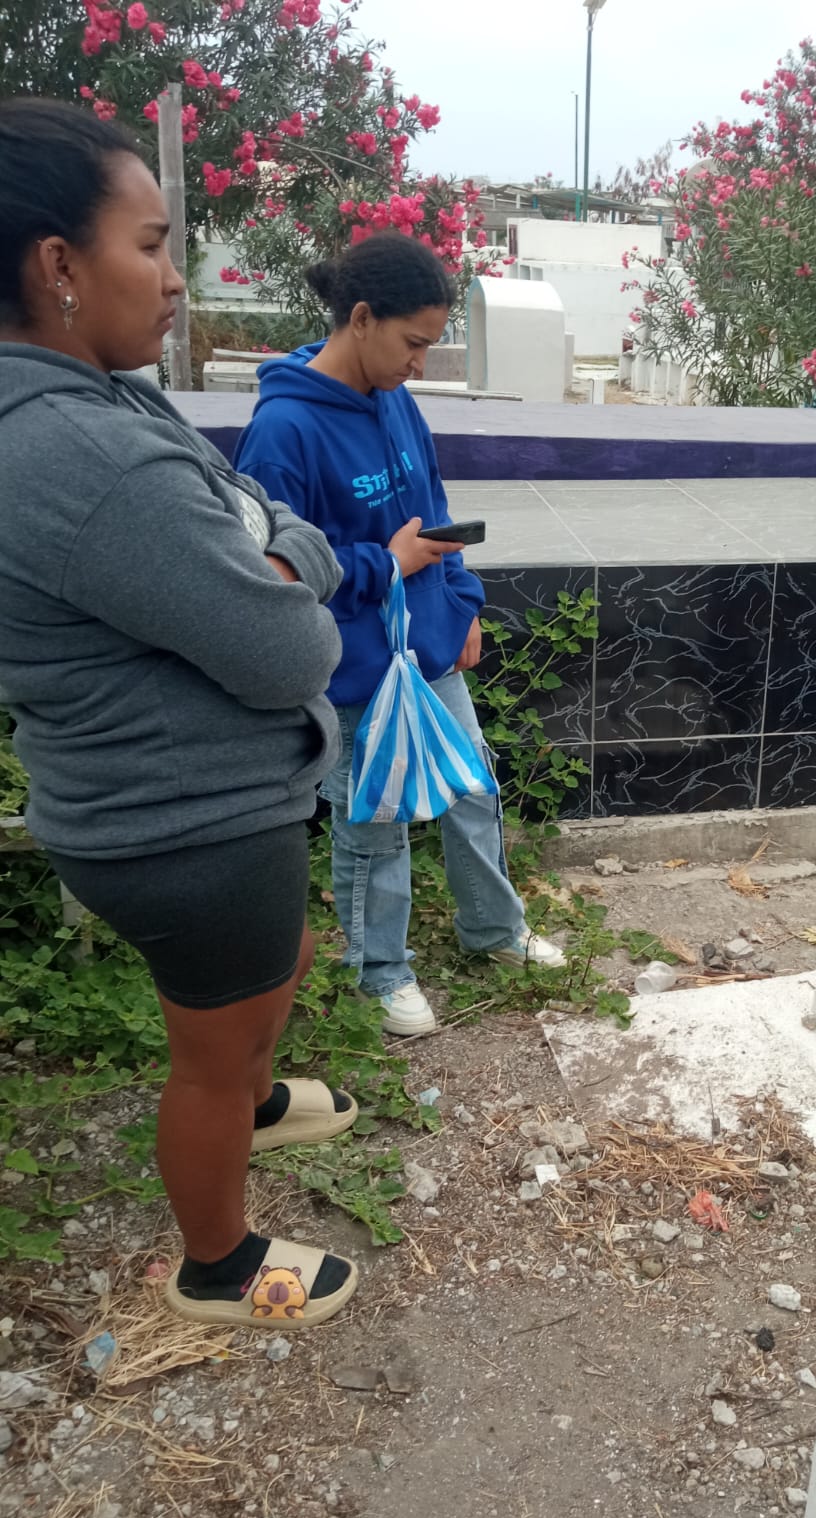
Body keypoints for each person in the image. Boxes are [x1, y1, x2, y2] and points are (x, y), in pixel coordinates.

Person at [0, 99, 360, 1329]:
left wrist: (270, 550)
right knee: (210, 1052)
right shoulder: (84, 455)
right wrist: (282, 565)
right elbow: (294, 645)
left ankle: (256, 1099)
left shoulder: (103, 400)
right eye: (151, 246)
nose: (174, 280)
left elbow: (258, 510)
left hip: (173, 802)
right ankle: (221, 1263)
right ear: (58, 264)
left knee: (271, 972)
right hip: (186, 825)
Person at [234, 234, 566, 1038]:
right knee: (374, 821)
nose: (419, 363)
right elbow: (272, 569)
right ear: (360, 318)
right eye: (413, 343)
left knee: (473, 787)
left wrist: (464, 602)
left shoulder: (396, 401)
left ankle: (494, 929)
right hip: (353, 664)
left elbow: (434, 515)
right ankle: (380, 971)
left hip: (428, 645)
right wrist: (385, 563)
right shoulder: (284, 430)